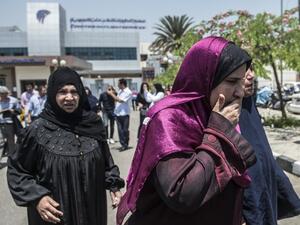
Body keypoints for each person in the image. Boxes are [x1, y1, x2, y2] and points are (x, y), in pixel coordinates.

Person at [117, 36, 256, 225]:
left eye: (241, 82)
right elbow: (183, 193)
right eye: (232, 81)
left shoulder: (215, 112)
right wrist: (218, 131)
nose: (240, 91)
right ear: (206, 78)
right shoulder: (169, 118)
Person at [7, 67, 125, 225]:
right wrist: (37, 197)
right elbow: (17, 171)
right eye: (62, 92)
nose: (69, 97)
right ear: (52, 94)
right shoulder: (37, 130)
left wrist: (114, 185)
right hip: (56, 217)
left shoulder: (93, 125)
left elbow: (106, 162)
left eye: (74, 92)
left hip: (92, 214)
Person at [240, 67, 300, 225]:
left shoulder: (248, 106)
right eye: (243, 69)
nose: (251, 75)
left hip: (264, 200)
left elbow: (263, 154)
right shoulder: (215, 117)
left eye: (252, 68)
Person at [108, 79, 132, 151]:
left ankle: (126, 143)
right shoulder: (120, 91)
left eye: (118, 84)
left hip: (125, 114)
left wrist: (111, 94)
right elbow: (117, 97)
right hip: (118, 113)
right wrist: (113, 91)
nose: (118, 85)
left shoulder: (128, 92)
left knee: (125, 130)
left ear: (122, 84)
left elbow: (120, 100)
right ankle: (123, 145)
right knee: (120, 130)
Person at [0, 86, 22, 158]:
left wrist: (13, 111)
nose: (3, 96)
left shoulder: (13, 100)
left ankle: (12, 157)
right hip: (2, 123)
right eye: (1, 94)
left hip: (11, 122)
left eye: (5, 94)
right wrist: (3, 111)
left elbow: (20, 111)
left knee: (12, 141)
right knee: (4, 142)